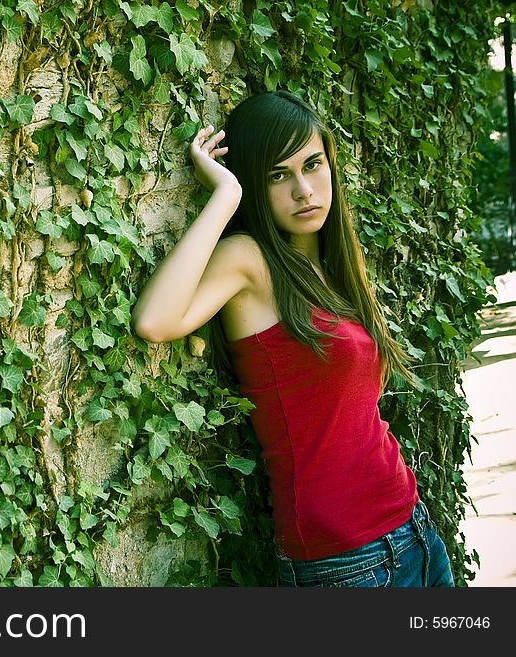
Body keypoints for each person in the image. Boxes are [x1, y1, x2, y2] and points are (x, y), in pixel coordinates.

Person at [131, 90, 454, 587]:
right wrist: (225, 196)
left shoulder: (328, 268)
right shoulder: (249, 261)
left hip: (414, 530)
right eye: (278, 175)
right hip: (346, 562)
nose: (304, 189)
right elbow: (154, 321)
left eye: (313, 164)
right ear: (254, 186)